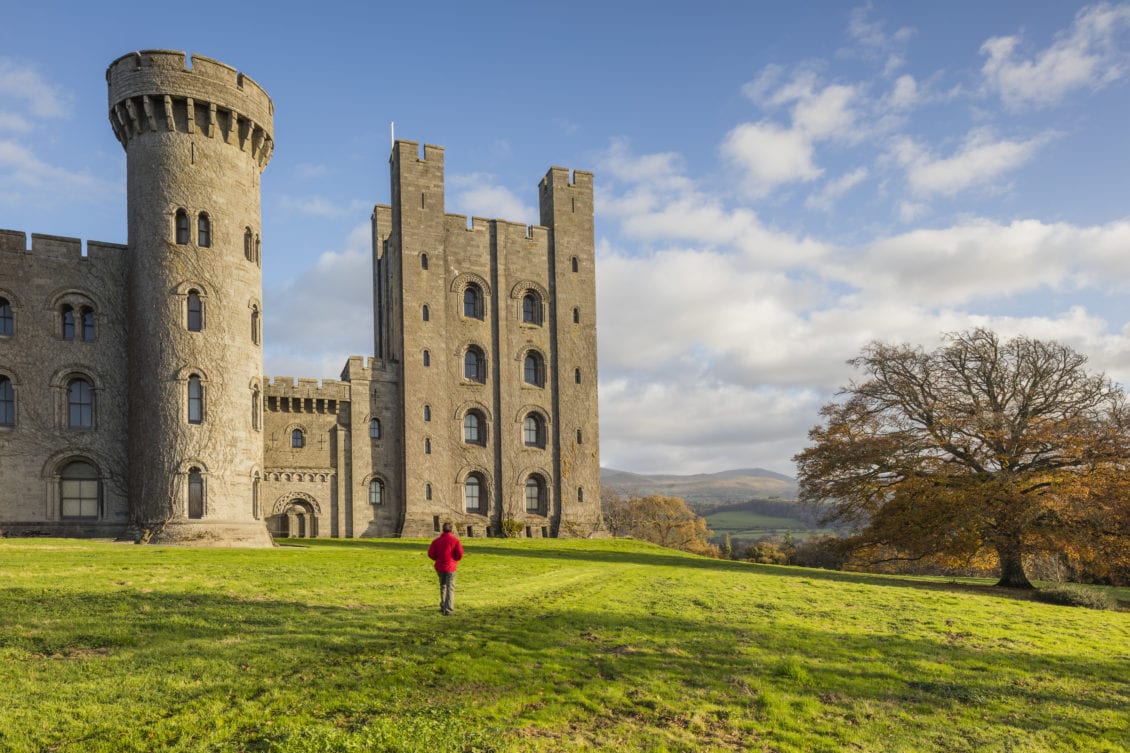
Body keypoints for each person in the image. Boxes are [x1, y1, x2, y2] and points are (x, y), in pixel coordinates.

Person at [427, 521, 464, 615]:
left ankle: (443, 605)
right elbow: (460, 554)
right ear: (452, 530)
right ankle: (448, 609)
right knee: (450, 588)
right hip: (450, 567)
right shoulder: (455, 541)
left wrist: (437, 559)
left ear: (442, 529)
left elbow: (430, 554)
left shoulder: (436, 541)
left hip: (440, 566)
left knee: (443, 586)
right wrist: (454, 559)